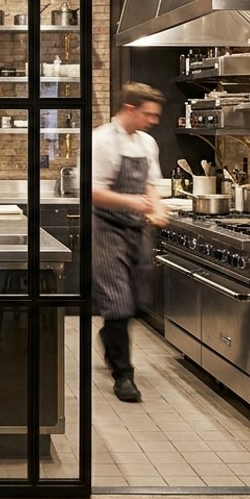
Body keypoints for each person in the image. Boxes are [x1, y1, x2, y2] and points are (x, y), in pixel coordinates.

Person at [91, 81, 169, 402]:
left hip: (138, 230)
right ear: (130, 109)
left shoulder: (147, 143)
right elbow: (92, 191)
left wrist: (158, 205)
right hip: (107, 227)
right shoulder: (102, 141)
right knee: (118, 299)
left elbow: (151, 183)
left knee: (136, 297)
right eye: (149, 114)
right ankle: (124, 375)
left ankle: (110, 338)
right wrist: (133, 203)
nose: (154, 120)